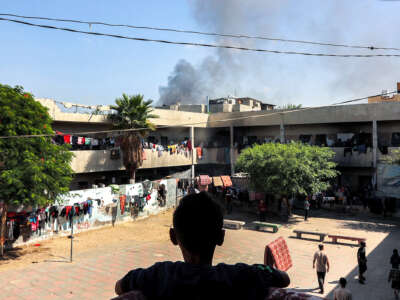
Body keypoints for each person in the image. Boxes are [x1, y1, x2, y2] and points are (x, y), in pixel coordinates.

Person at [115, 192, 290, 300]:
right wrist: (260, 269)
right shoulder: (240, 276)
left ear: (173, 237)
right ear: (221, 237)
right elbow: (283, 278)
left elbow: (119, 286)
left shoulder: (160, 274)